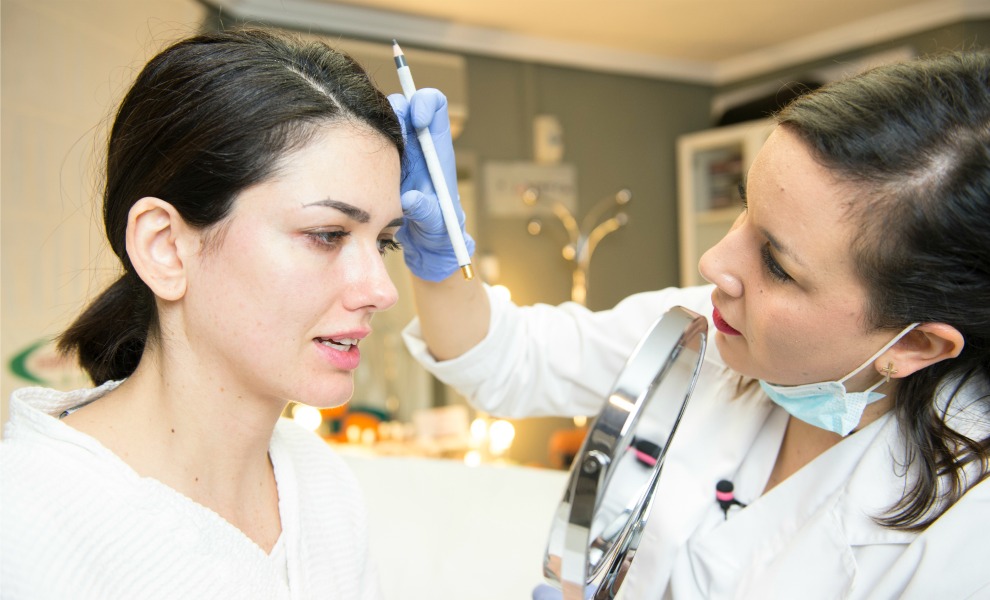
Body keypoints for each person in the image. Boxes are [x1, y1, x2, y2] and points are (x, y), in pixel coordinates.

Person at [389, 49, 990, 598]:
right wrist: (440, 258)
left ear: (915, 343)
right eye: (744, 207)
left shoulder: (967, 537)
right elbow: (510, 359)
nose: (714, 264)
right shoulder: (703, 328)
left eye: (777, 266)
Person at [0, 28, 404, 599]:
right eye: (326, 235)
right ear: (165, 246)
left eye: (384, 241)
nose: (380, 290)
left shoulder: (321, 484)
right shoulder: (26, 520)